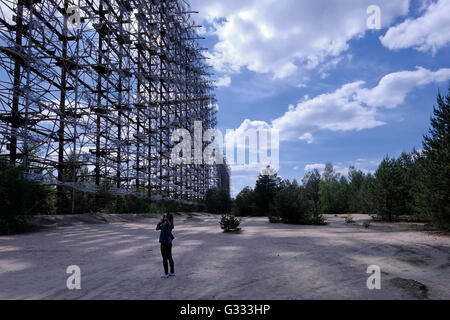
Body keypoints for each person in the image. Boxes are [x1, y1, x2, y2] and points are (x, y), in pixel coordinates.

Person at [156, 213, 175, 278]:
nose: (163, 217)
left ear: (166, 218)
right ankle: (172, 272)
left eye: (164, 216)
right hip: (169, 242)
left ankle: (166, 274)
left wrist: (160, 222)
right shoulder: (170, 224)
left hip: (164, 243)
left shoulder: (165, 224)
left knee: (164, 258)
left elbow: (157, 228)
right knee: (169, 257)